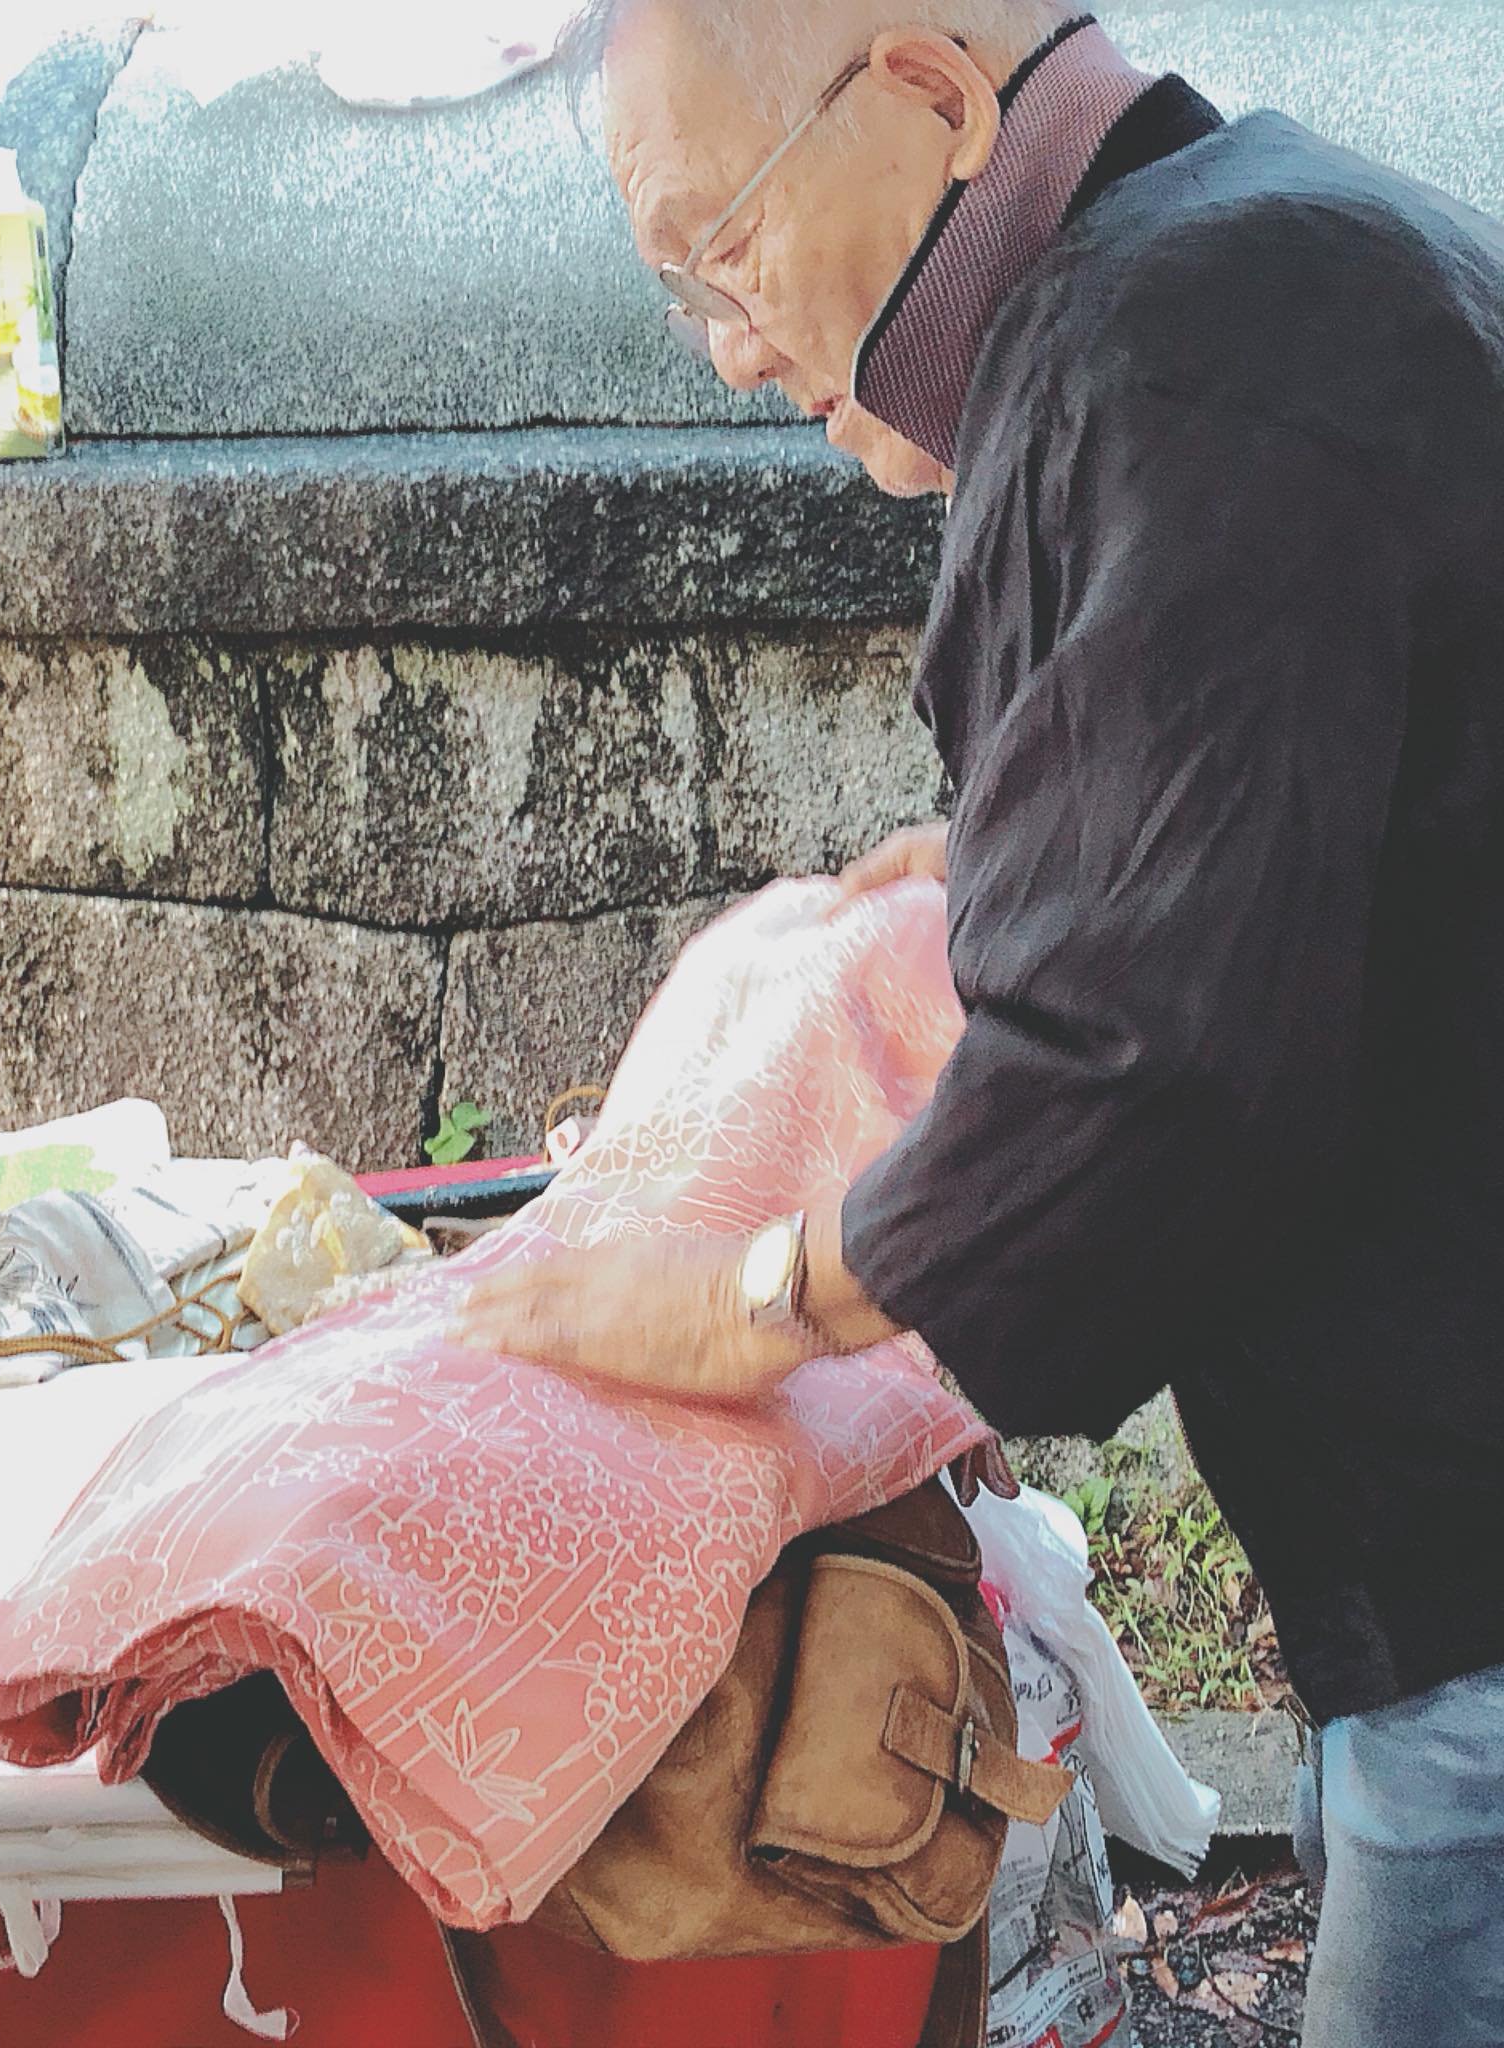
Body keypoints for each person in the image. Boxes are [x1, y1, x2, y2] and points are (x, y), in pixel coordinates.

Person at [454, 4, 1504, 2040]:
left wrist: (748, 1298)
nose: (729, 346)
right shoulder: (1269, 242)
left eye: (724, 249)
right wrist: (1031, 841)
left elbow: (1144, 1060)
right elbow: (1350, 794)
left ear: (931, 98)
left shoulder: (1178, 342)